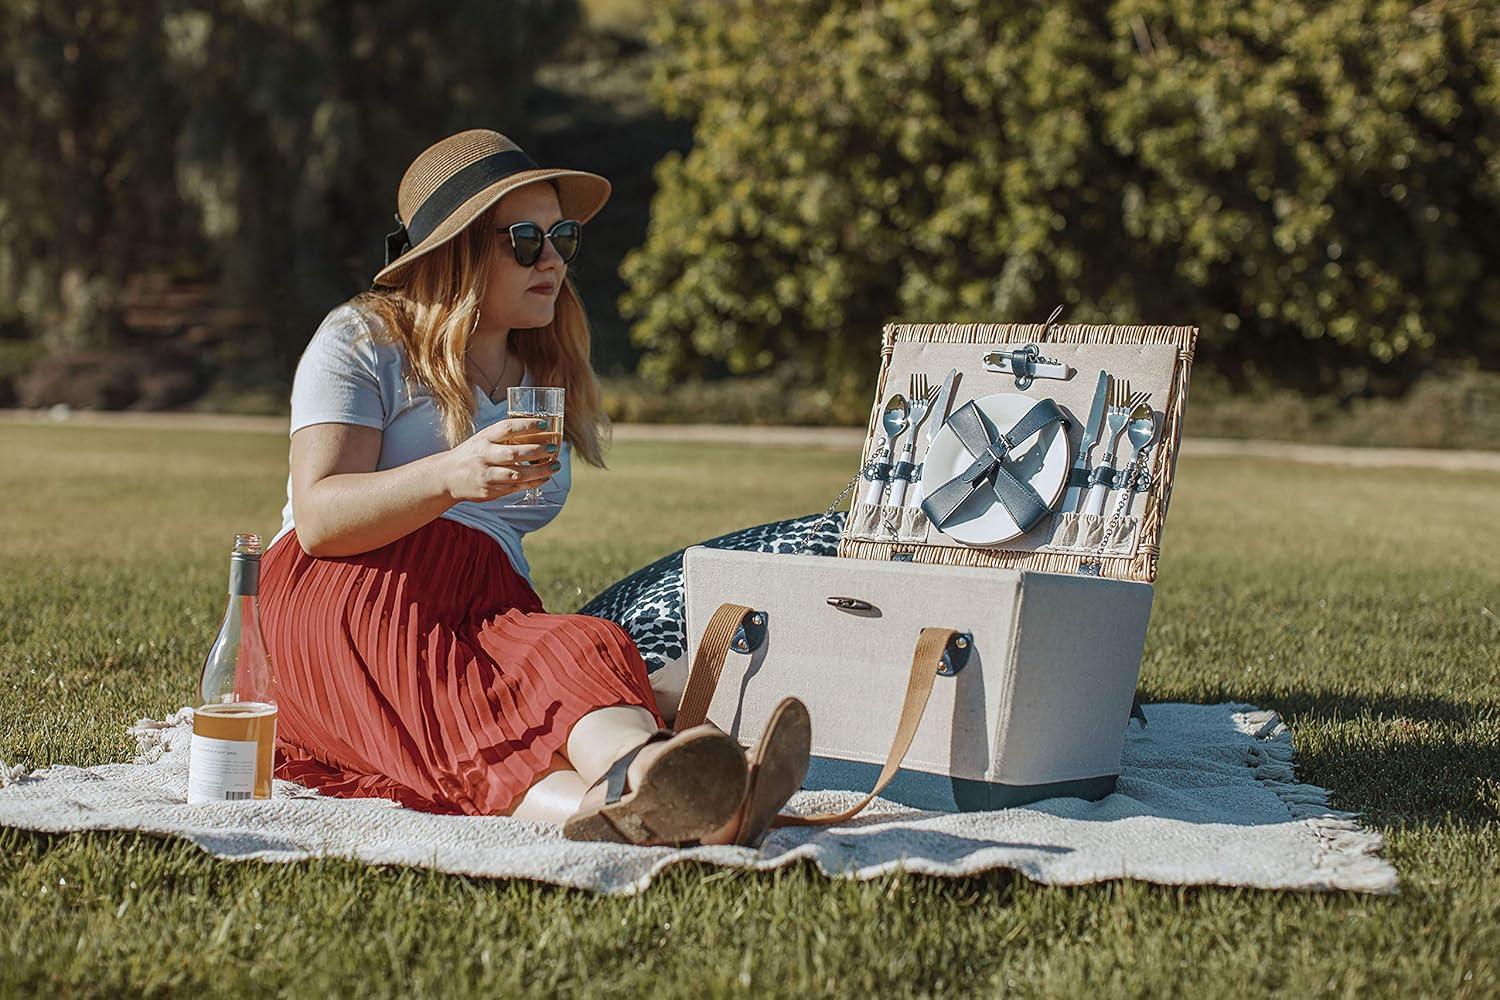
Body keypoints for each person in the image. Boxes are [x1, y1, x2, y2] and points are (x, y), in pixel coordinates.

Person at [259, 128, 810, 848]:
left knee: (578, 649)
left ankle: (658, 788)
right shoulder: (366, 338)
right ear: (456, 252)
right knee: (464, 699)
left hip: (484, 599)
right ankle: (676, 793)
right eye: (525, 240)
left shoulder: (540, 369)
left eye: (562, 238)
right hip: (353, 586)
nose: (552, 259)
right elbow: (319, 519)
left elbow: (493, 548)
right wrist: (452, 474)